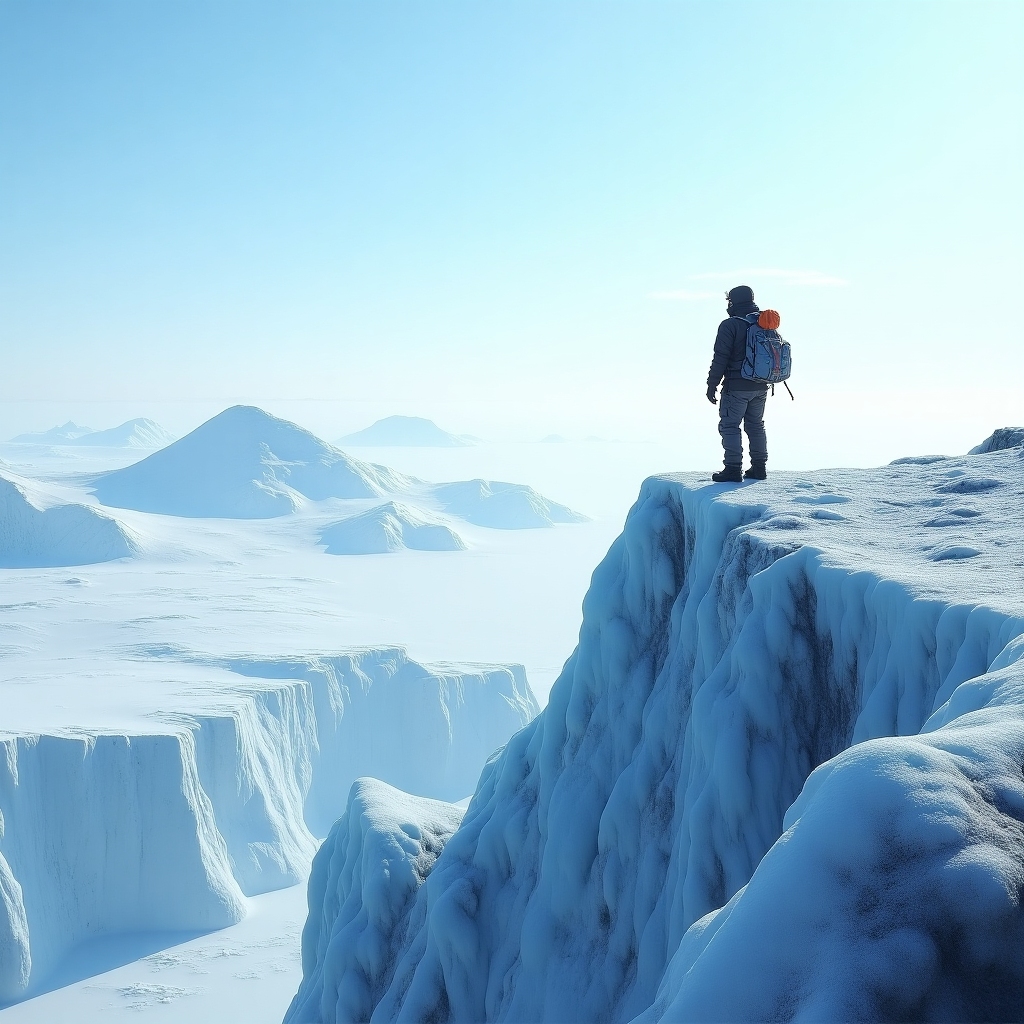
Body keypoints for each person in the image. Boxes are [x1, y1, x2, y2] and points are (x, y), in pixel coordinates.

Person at [706, 285, 768, 482]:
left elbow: (721, 357)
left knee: (730, 426)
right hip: (761, 385)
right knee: (756, 426)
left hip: (736, 386)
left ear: (734, 301)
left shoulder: (730, 325)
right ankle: (759, 468)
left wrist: (712, 383)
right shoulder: (764, 322)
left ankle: (733, 469)